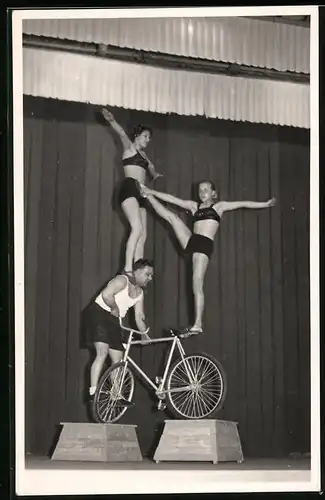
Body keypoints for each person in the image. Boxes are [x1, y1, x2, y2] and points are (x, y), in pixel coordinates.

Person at [140, 181, 276, 334]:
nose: (202, 192)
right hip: (192, 240)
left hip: (204, 245)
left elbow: (242, 204)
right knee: (172, 218)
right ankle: (147, 195)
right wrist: (151, 191)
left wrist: (264, 204)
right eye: (200, 190)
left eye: (206, 190)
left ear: (213, 193)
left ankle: (198, 323)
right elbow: (172, 199)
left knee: (196, 283)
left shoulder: (219, 207)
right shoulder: (194, 206)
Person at [101, 108, 163, 273]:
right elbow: (121, 133)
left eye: (149, 138)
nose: (148, 140)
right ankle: (128, 269)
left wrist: (155, 174)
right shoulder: (130, 148)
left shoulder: (144, 156)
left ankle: (139, 268)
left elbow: (150, 167)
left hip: (142, 192)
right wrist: (112, 120)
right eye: (145, 136)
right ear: (137, 136)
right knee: (137, 227)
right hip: (129, 187)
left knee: (143, 235)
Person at [86, 259, 154, 406]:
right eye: (148, 274)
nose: (150, 278)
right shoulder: (122, 280)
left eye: (151, 276)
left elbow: (138, 316)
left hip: (115, 320)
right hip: (99, 314)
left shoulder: (140, 293)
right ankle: (93, 392)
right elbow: (106, 295)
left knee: (118, 359)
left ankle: (116, 395)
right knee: (102, 353)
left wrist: (144, 334)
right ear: (136, 272)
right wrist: (114, 307)